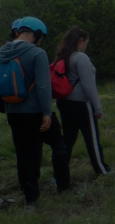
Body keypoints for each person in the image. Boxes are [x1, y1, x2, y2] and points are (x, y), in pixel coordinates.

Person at [1, 17, 70, 205]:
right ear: (36, 33)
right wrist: (47, 112)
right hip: (36, 112)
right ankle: (64, 186)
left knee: (24, 153)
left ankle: (30, 195)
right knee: (59, 145)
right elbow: (43, 86)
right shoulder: (37, 53)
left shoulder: (2, 52)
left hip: (13, 111)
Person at [54, 26, 111, 176]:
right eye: (86, 42)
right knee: (92, 139)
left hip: (64, 102)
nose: (86, 45)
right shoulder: (81, 57)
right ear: (81, 41)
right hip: (81, 103)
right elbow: (88, 84)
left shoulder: (63, 55)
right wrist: (98, 108)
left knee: (68, 139)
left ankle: (59, 175)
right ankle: (101, 170)